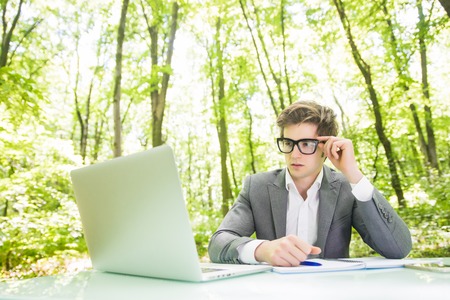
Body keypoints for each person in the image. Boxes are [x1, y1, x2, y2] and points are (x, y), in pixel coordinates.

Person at [208, 100, 412, 267]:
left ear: (326, 146)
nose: (294, 154)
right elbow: (218, 243)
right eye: (288, 143)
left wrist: (353, 174)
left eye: (306, 144)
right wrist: (262, 250)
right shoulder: (257, 187)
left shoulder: (347, 188)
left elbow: (398, 248)